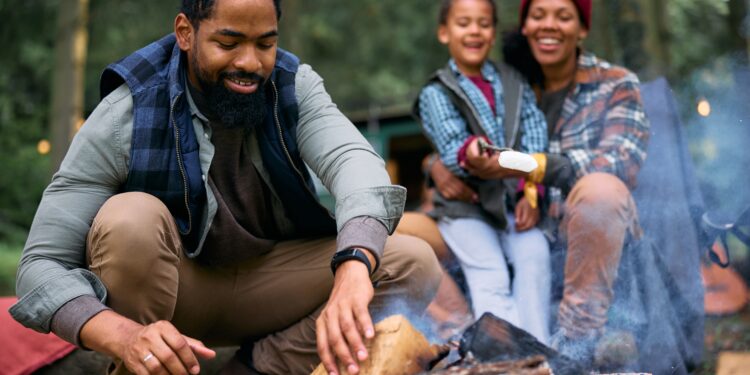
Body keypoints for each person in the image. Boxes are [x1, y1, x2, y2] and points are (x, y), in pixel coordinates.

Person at [9, 0, 441, 374]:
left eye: (265, 44)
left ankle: (255, 371)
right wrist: (122, 336)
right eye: (228, 43)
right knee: (130, 220)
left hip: (268, 281)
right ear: (185, 33)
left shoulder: (294, 86)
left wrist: (353, 264)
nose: (250, 63)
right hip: (174, 290)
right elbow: (40, 265)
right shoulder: (129, 109)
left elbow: (356, 163)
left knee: (412, 263)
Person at [423, 0, 650, 364]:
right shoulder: (508, 83)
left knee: (602, 191)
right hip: (497, 222)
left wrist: (531, 168)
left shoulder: (615, 84)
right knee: (399, 233)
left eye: (563, 16)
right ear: (524, 26)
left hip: (571, 236)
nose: (549, 26)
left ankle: (576, 344)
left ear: (582, 28)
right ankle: (470, 340)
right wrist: (435, 163)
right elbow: (460, 138)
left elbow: (620, 163)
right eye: (538, 15)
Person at [413, 0, 552, 344]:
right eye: (463, 23)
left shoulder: (513, 83)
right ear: (444, 32)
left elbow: (535, 137)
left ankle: (539, 348)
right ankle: (503, 354)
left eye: (483, 24)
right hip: (466, 208)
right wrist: (469, 153)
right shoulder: (437, 92)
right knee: (489, 271)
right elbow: (453, 145)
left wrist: (528, 191)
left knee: (534, 252)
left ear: (492, 33)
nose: (474, 31)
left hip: (512, 203)